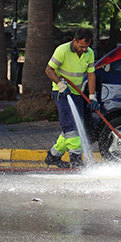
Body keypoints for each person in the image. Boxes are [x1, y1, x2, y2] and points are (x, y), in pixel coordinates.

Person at [44, 28, 99, 168]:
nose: (84, 50)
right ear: (74, 41)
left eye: (86, 47)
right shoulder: (62, 50)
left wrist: (92, 96)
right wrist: (60, 84)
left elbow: (91, 74)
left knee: (76, 125)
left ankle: (53, 156)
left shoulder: (89, 53)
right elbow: (49, 70)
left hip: (77, 93)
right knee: (69, 125)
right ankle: (76, 158)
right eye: (81, 46)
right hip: (61, 92)